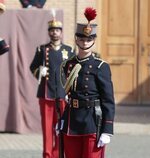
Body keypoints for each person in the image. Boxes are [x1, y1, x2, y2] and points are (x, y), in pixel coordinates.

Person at [61, 7, 115, 158]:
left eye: (89, 39)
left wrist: (107, 129)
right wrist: (62, 120)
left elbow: (108, 100)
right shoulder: (68, 65)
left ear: (94, 41)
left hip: (93, 122)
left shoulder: (101, 66)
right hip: (72, 121)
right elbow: (67, 95)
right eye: (82, 39)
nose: (85, 42)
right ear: (76, 39)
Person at [30, 12, 74, 158]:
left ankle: (58, 153)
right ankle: (48, 154)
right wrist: (39, 71)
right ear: (49, 32)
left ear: (61, 33)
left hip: (63, 94)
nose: (55, 32)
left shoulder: (69, 50)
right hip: (46, 93)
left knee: (60, 127)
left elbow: (73, 71)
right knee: (47, 128)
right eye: (52, 30)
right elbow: (33, 67)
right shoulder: (42, 49)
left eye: (57, 30)